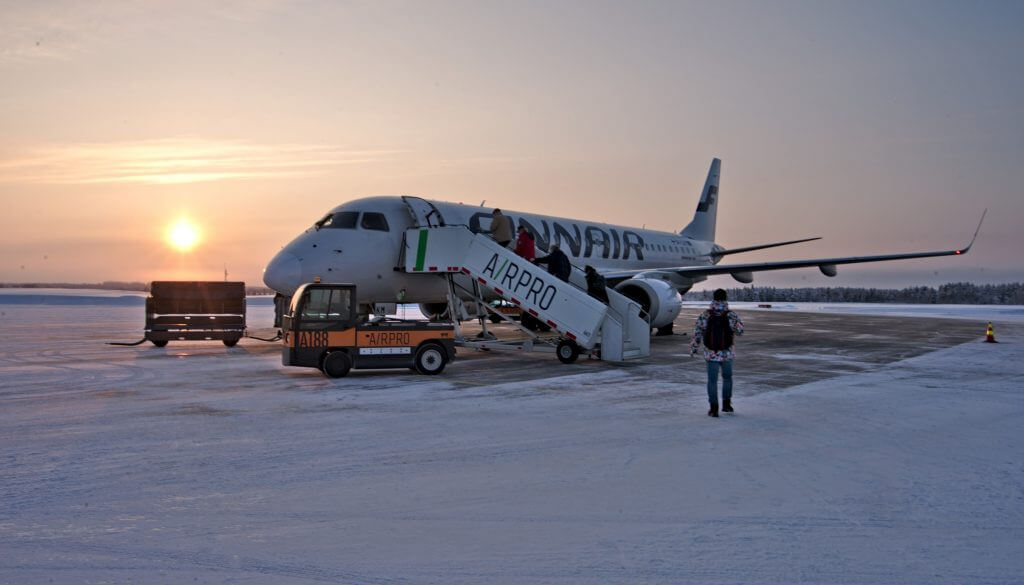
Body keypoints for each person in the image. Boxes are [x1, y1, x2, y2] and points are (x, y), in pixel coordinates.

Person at [690, 288, 744, 417]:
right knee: (727, 378)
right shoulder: (731, 315)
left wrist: (694, 348)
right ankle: (727, 404)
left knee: (712, 381)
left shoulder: (705, 314)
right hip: (727, 353)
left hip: (711, 353)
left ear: (713, 298)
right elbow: (740, 332)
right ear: (725, 299)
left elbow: (697, 332)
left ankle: (713, 409)